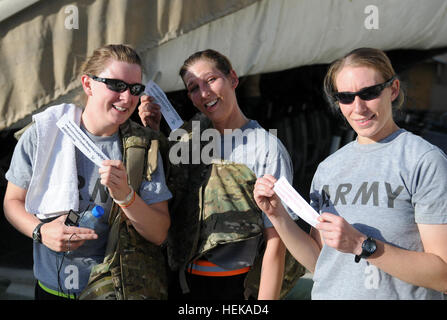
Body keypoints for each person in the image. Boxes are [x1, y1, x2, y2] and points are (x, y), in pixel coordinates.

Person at [254, 47, 447, 300]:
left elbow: (443, 276)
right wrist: (278, 216)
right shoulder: (329, 168)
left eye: (368, 93)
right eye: (346, 97)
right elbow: (321, 264)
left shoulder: (423, 160)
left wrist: (361, 244)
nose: (358, 108)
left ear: (394, 90)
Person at [3, 44, 172, 300]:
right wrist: (41, 231)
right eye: (116, 85)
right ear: (88, 84)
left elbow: (159, 233)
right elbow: (12, 202)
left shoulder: (143, 146)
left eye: (135, 89)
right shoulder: (44, 135)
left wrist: (126, 196)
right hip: (52, 289)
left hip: (116, 291)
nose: (127, 98)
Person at [138, 49, 302, 300]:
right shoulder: (188, 143)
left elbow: (277, 241)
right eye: (193, 88)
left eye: (211, 80)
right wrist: (153, 131)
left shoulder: (265, 148)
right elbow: (160, 200)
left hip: (233, 286)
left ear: (233, 79)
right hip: (180, 283)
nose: (204, 93)